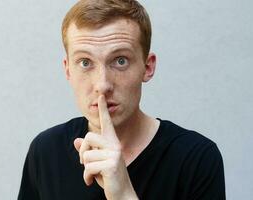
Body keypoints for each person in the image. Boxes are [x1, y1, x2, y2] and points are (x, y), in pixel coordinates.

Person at [18, 0, 226, 199]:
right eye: (84, 62)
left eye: (120, 61)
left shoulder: (196, 158)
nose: (102, 85)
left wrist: (123, 194)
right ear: (67, 70)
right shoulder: (46, 151)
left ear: (148, 66)